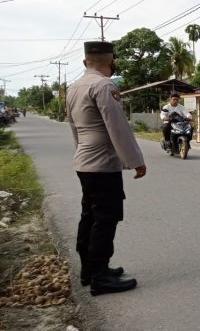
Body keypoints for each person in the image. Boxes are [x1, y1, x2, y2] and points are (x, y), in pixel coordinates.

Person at [66, 41, 146, 296]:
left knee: (89, 215)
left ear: (84, 61)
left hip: (85, 161)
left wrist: (80, 151)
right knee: (105, 218)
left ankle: (89, 270)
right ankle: (100, 278)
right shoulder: (104, 85)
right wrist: (136, 160)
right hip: (102, 164)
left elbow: (74, 127)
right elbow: (118, 128)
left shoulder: (73, 87)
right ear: (111, 62)